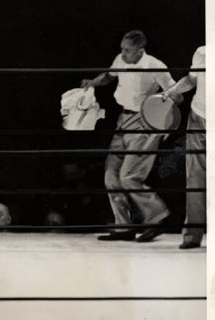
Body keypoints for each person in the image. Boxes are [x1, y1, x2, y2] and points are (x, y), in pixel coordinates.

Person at [81, 30, 179, 242]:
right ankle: (123, 226)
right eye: (122, 48)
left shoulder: (155, 66)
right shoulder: (121, 58)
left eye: (128, 50)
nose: (123, 53)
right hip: (123, 120)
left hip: (145, 121)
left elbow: (176, 95)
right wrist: (93, 82)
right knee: (112, 174)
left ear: (140, 50)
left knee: (130, 176)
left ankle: (158, 217)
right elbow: (109, 76)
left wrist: (163, 120)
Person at [162, 46, 206, 249]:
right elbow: (191, 79)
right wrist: (172, 91)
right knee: (195, 176)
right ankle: (192, 233)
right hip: (199, 116)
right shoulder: (203, 52)